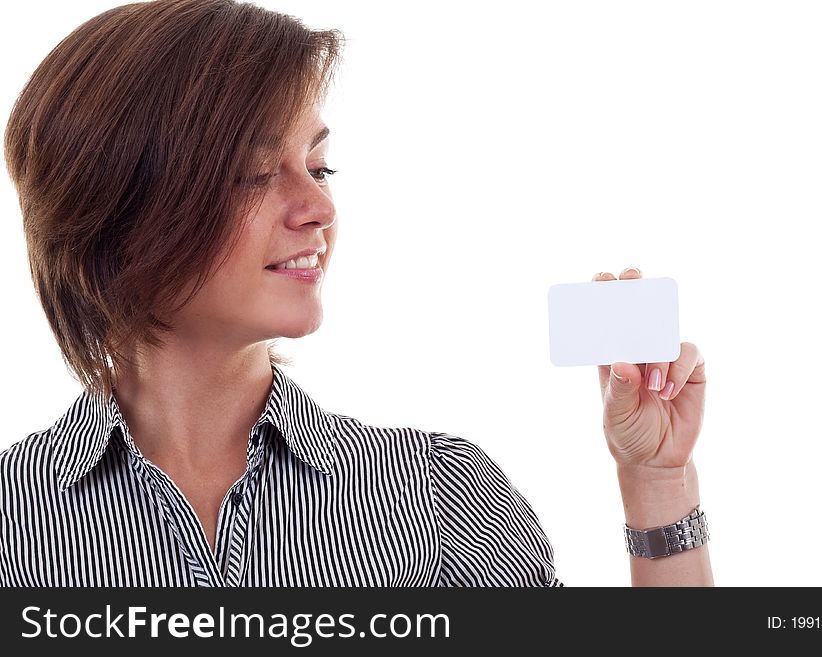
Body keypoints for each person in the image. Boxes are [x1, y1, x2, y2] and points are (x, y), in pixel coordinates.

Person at [0, 0, 712, 587]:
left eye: (320, 165)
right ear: (116, 209)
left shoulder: (440, 494)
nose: (318, 207)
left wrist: (656, 480)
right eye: (254, 173)